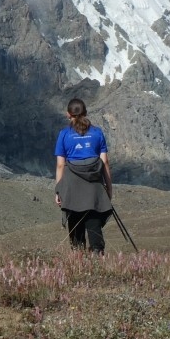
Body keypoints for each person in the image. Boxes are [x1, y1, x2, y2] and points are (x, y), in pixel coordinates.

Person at [54, 98, 113, 253]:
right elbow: (105, 162)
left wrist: (58, 190)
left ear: (68, 114)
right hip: (94, 186)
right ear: (86, 113)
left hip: (72, 187)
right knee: (93, 220)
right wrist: (108, 188)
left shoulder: (64, 134)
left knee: (74, 220)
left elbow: (60, 165)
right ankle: (97, 254)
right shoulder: (97, 133)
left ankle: (78, 258)